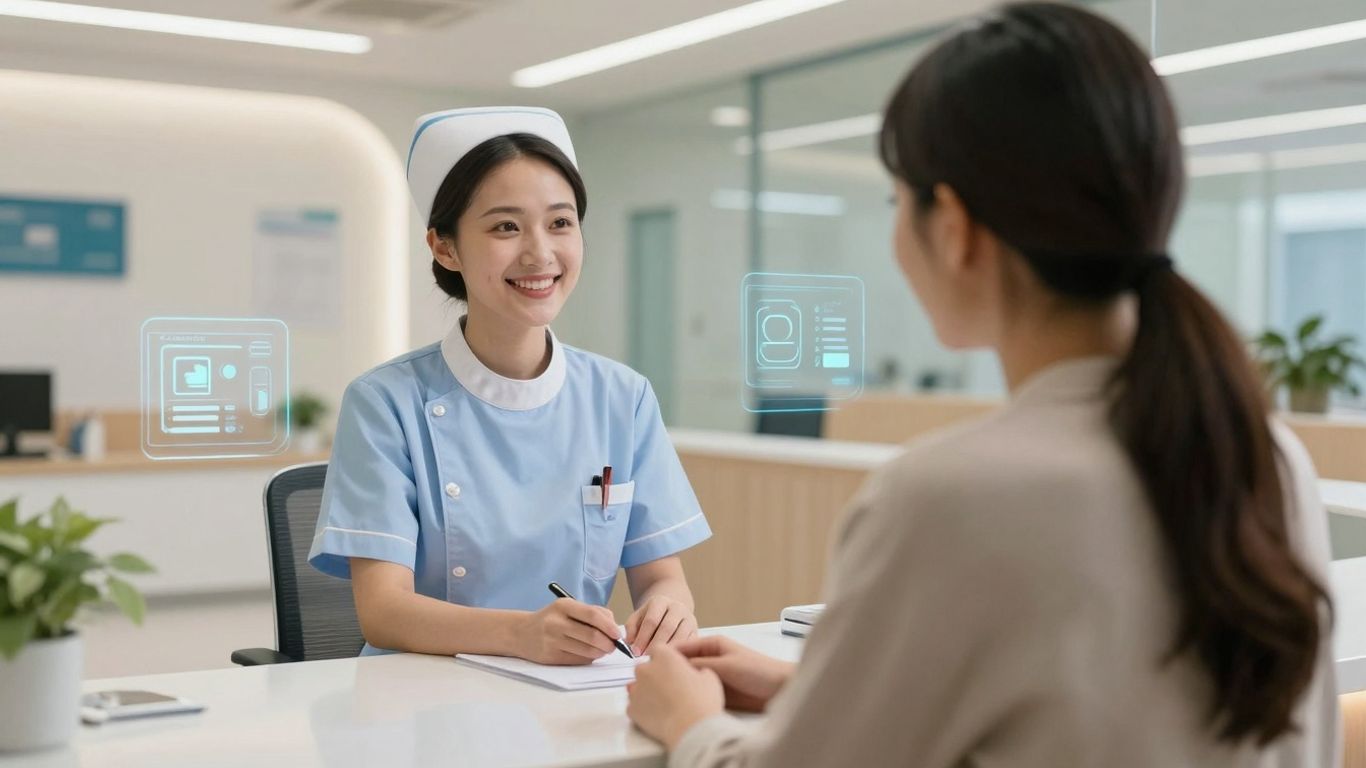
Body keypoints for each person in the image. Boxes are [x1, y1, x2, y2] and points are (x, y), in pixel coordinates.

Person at [625, 4, 1339, 765]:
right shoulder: (1264, 459)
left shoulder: (950, 497)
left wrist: (689, 722)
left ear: (955, 228)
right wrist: (810, 690)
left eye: (898, 202)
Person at [308, 107, 712, 664]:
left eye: (560, 222)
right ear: (445, 248)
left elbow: (664, 579)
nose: (540, 252)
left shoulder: (624, 398)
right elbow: (383, 611)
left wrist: (669, 608)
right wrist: (522, 635)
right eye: (505, 226)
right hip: (419, 704)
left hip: (572, 696)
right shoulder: (385, 403)